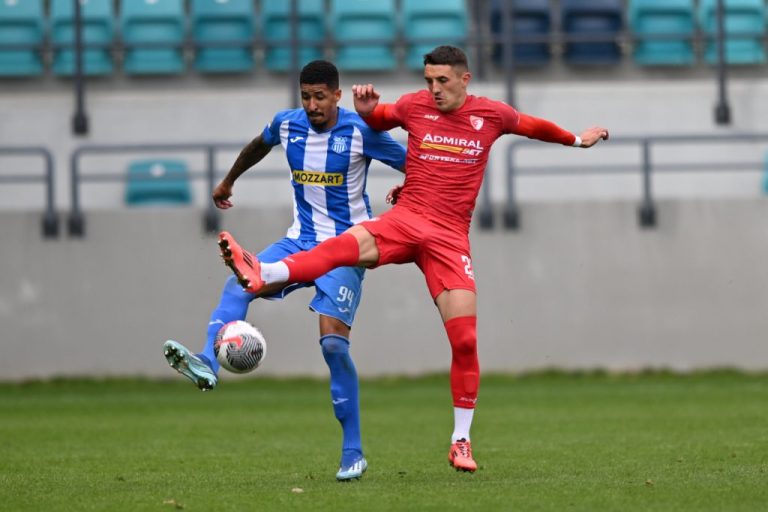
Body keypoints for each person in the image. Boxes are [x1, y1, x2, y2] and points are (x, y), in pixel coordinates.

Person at [217, 45, 609, 473]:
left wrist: (575, 139)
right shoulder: (414, 106)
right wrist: (368, 110)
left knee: (465, 340)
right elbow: (379, 118)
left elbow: (531, 126)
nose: (434, 90)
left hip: (447, 239)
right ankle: (264, 272)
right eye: (428, 81)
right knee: (344, 246)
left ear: (465, 79)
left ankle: (461, 440)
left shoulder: (491, 115)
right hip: (406, 221)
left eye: (442, 81)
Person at [163, 60, 406, 481]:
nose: (312, 105)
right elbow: (259, 143)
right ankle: (208, 361)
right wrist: (227, 181)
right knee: (240, 281)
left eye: (319, 97)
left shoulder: (360, 131)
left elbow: (416, 165)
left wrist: (409, 188)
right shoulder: (288, 125)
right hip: (299, 240)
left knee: (333, 347)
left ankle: (353, 453)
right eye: (305, 97)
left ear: (336, 95)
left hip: (347, 248)